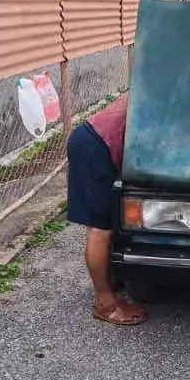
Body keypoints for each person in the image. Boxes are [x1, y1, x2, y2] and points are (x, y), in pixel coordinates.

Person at [66, 92, 147, 326]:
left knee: (112, 217)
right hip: (95, 144)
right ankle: (105, 303)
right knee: (101, 228)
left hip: (95, 140)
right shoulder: (164, 94)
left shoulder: (157, 82)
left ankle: (111, 279)